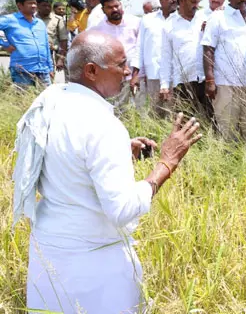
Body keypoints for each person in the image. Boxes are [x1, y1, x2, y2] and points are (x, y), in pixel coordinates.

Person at [18, 30, 201, 314]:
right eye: (121, 64)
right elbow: (122, 209)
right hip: (93, 268)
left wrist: (120, 151)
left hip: (51, 252)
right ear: (92, 71)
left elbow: (67, 157)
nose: (128, 72)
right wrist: (167, 163)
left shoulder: (53, 102)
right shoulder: (102, 124)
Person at [202, 0, 246, 141]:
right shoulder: (218, 17)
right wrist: (210, 80)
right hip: (225, 84)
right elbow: (208, 49)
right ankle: (225, 165)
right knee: (227, 131)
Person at [160, 0, 211, 118]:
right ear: (181, 1)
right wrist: (164, 85)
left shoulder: (205, 20)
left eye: (198, 2)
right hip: (183, 83)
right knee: (185, 123)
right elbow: (165, 57)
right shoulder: (169, 25)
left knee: (211, 122)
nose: (196, 5)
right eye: (192, 2)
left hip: (205, 81)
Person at [90, 0, 142, 110]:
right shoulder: (97, 28)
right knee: (115, 110)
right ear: (103, 10)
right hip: (111, 78)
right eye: (110, 7)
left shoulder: (135, 22)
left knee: (139, 110)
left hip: (134, 75)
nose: (115, 9)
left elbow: (140, 49)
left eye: (117, 6)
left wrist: (136, 75)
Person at [137, 0, 178, 115]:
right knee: (153, 113)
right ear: (161, 0)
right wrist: (138, 74)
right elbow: (140, 47)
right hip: (153, 74)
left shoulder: (181, 20)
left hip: (175, 76)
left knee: (173, 113)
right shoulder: (147, 20)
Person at [0, 0, 53, 86]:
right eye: (30, 3)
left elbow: (45, 46)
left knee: (47, 98)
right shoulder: (10, 20)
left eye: (34, 3)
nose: (33, 6)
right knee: (22, 99)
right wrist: (5, 45)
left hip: (43, 70)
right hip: (22, 69)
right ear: (19, 5)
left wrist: (50, 68)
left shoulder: (40, 23)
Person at [36, 0, 69, 72]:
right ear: (37, 6)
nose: (47, 8)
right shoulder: (31, 18)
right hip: (32, 55)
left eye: (49, 6)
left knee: (48, 81)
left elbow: (63, 40)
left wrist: (61, 58)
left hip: (49, 54)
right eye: (44, 5)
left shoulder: (57, 19)